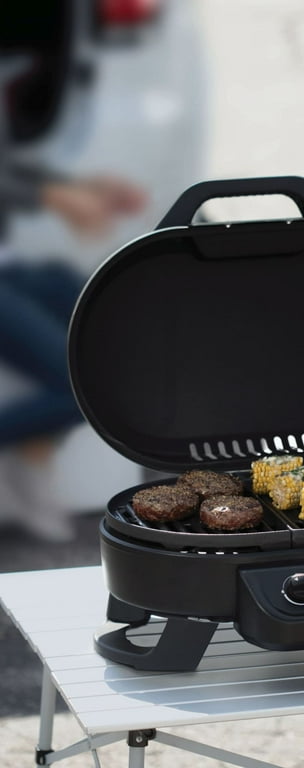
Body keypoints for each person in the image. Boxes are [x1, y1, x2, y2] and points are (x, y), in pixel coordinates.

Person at [0, 61, 145, 540]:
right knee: (75, 386)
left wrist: (88, 189)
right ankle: (29, 467)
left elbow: (8, 166)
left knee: (109, 343)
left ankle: (32, 462)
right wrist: (55, 195)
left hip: (11, 266)